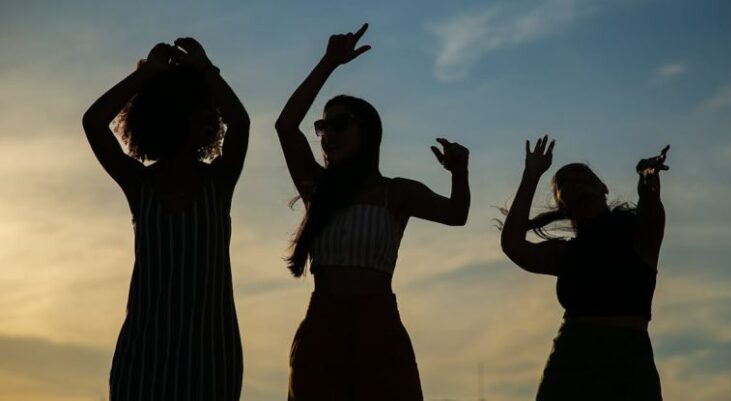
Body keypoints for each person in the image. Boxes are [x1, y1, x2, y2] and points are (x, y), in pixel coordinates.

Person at [275, 24, 470, 401]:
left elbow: (455, 214)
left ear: (367, 131)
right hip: (322, 326)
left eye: (339, 123)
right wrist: (328, 63)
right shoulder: (317, 188)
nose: (327, 133)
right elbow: (285, 126)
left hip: (378, 325)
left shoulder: (396, 193)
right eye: (323, 126)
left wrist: (459, 173)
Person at [82, 38, 249, 401]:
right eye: (197, 107)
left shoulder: (218, 182)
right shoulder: (140, 183)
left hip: (211, 355)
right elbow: (94, 122)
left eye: (209, 107)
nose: (210, 115)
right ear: (171, 113)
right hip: (145, 354)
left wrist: (207, 70)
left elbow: (240, 121)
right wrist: (145, 75)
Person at [500, 135, 668, 401]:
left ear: (603, 186)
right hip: (572, 360)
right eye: (565, 180)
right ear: (561, 202)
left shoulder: (638, 234)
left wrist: (647, 177)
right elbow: (513, 245)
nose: (577, 179)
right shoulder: (565, 252)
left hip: (630, 360)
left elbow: (651, 205)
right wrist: (531, 175)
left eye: (583, 173)